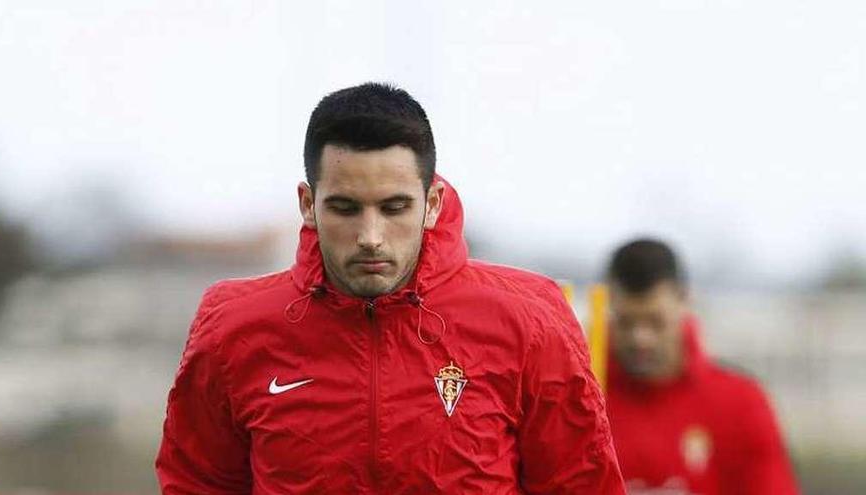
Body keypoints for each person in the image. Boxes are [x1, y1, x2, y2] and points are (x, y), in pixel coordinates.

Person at [155, 82, 625, 493]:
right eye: (345, 208)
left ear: (432, 203)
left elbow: (580, 485)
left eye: (395, 207)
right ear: (307, 203)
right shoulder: (232, 327)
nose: (371, 236)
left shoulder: (530, 320)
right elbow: (197, 484)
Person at [603, 238, 799, 494]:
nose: (641, 338)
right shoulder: (580, 401)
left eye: (655, 321)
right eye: (626, 322)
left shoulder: (741, 402)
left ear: (684, 301)